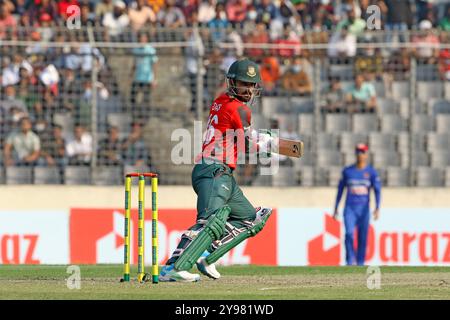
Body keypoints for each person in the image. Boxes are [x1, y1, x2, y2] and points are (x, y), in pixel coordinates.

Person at [159, 59, 274, 282]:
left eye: (252, 85)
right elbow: (247, 144)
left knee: (252, 218)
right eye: (244, 84)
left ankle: (208, 259)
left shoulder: (220, 101)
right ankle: (172, 268)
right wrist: (269, 144)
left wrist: (264, 138)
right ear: (232, 82)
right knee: (208, 221)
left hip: (221, 173)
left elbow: (240, 134)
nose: (249, 89)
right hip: (214, 170)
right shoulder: (239, 109)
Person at [333, 143, 381, 266]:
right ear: (355, 154)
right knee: (349, 234)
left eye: (363, 152)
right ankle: (350, 261)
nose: (361, 154)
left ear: (366, 154)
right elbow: (340, 190)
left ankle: (360, 263)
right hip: (350, 208)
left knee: (362, 238)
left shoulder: (371, 172)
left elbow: (377, 190)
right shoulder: (348, 171)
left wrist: (377, 207)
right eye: (358, 152)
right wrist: (336, 207)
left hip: (364, 210)